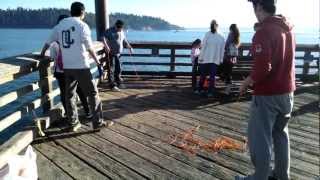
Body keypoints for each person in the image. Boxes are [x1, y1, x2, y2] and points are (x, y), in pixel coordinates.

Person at [237, 0, 296, 179]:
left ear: (260, 7)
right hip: (287, 93)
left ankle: (260, 177)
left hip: (267, 95)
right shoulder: (288, 29)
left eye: (254, 6)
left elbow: (263, 68)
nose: (254, 11)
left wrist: (246, 82)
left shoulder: (263, 32)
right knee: (280, 134)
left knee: (260, 139)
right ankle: (281, 175)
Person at [40, 2, 109, 132]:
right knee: (93, 94)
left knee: (69, 95)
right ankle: (97, 122)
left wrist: (42, 54)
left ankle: (73, 123)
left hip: (67, 67)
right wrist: (98, 62)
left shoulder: (60, 25)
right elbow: (89, 47)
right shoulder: (82, 26)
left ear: (71, 11)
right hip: (81, 66)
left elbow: (48, 42)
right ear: (82, 12)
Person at [49, 14, 92, 119]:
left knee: (65, 95)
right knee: (80, 91)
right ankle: (88, 112)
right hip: (73, 68)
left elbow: (52, 57)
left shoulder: (54, 44)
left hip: (60, 71)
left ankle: (70, 116)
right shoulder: (72, 39)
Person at [102, 20, 133, 92]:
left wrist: (130, 47)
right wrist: (106, 46)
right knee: (111, 69)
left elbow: (124, 40)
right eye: (118, 27)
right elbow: (103, 37)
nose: (119, 29)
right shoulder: (109, 31)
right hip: (111, 53)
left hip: (119, 54)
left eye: (120, 28)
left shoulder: (121, 31)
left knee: (118, 69)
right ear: (115, 25)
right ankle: (112, 85)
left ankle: (119, 83)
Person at [198, 20, 225, 97]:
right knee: (207, 76)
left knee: (207, 76)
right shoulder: (218, 35)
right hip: (210, 59)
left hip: (210, 59)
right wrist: (221, 59)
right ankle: (205, 90)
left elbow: (203, 47)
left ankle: (204, 90)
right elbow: (203, 47)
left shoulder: (217, 35)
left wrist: (200, 57)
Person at [221, 24, 241, 95]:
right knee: (228, 72)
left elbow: (227, 44)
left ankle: (227, 90)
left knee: (226, 73)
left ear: (230, 28)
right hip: (233, 58)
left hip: (228, 57)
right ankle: (228, 88)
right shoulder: (237, 35)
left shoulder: (231, 34)